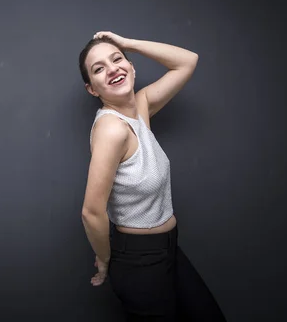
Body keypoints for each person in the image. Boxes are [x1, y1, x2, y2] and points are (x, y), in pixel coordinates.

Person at [79, 31, 226, 321]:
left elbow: (187, 62)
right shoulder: (113, 129)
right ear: (92, 89)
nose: (112, 69)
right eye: (99, 69)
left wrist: (128, 43)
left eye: (117, 59)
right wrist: (106, 260)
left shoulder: (140, 108)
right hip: (138, 262)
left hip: (169, 250)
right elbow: (91, 212)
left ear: (132, 67)